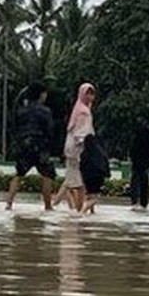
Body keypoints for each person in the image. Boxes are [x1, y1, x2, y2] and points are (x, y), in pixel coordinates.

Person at [5, 81, 57, 211]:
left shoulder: (21, 110)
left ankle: (9, 204)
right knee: (47, 175)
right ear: (41, 95)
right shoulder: (45, 111)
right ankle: (48, 206)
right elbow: (50, 130)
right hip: (40, 146)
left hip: (24, 145)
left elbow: (15, 127)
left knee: (19, 174)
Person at [55, 83, 96, 212]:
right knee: (79, 181)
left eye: (92, 93)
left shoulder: (78, 108)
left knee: (71, 179)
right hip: (78, 148)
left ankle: (56, 204)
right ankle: (79, 211)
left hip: (72, 147)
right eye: (87, 93)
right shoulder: (84, 111)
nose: (90, 96)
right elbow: (82, 132)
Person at [80, 133, 110, 213]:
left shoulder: (84, 153)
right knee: (96, 197)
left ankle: (92, 211)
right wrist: (107, 174)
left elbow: (81, 166)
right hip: (98, 176)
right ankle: (84, 210)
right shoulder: (100, 152)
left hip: (87, 177)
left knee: (90, 194)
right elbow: (105, 163)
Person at [129, 126, 149, 210]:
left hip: (135, 166)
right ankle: (143, 203)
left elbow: (131, 153)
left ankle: (134, 202)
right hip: (145, 166)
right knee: (144, 185)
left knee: (135, 184)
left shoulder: (135, 142)